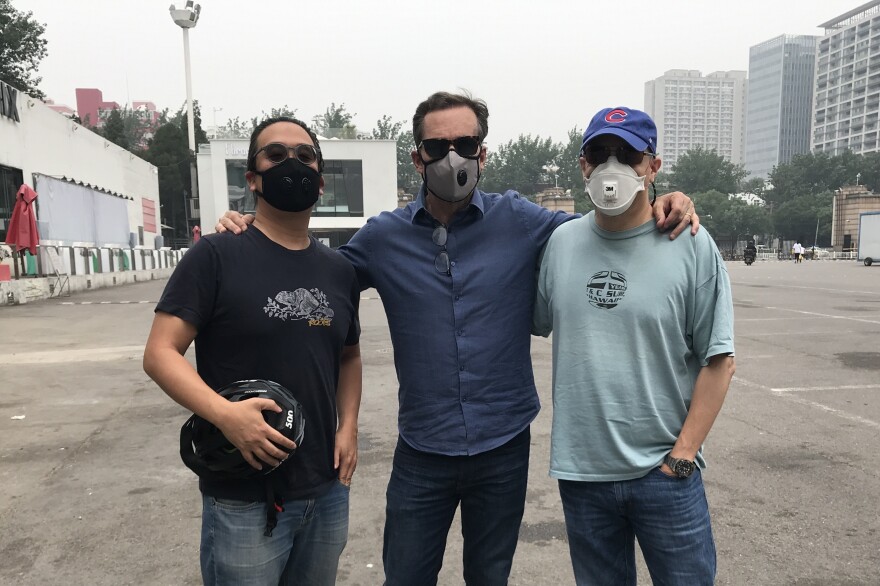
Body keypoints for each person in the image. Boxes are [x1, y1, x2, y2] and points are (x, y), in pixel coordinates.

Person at [217, 92, 699, 585]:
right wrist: (257, 231)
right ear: (417, 157)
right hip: (423, 450)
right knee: (405, 576)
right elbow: (313, 274)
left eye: (465, 143)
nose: (452, 157)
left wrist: (663, 197)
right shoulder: (384, 238)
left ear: (483, 154)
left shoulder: (523, 222)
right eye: (436, 145)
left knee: (489, 578)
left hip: (503, 446)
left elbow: (606, 226)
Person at [144, 116, 362, 585]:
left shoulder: (339, 270)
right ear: (253, 178)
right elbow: (160, 352)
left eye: (305, 156)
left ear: (320, 182)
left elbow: (349, 355)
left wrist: (350, 426)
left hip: (326, 488)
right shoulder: (217, 255)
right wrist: (225, 414)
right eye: (276, 155)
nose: (292, 164)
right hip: (244, 493)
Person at [533, 106, 735, 585]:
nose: (612, 166)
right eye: (599, 153)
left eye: (627, 154)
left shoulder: (690, 243)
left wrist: (682, 456)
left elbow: (719, 359)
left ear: (653, 166)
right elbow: (533, 320)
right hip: (584, 476)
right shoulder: (560, 244)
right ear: (582, 165)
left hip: (664, 474)